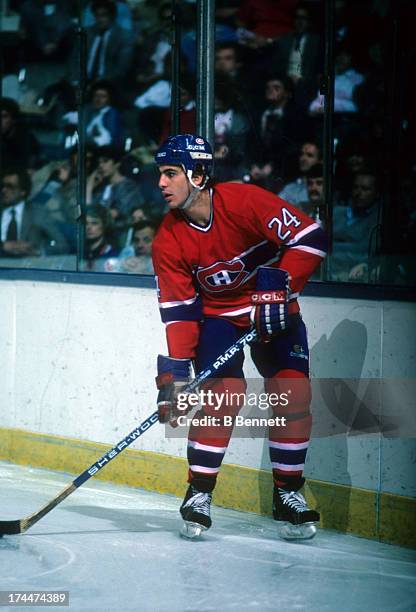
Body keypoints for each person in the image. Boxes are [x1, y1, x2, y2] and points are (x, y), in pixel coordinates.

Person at [152, 134, 327, 540]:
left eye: (170, 173)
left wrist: (280, 288)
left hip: (275, 311)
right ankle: (198, 493)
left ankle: (289, 494)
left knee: (293, 393)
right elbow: (180, 314)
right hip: (218, 320)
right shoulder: (167, 239)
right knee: (222, 396)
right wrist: (177, 376)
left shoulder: (246, 201)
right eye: (160, 174)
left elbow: (311, 238)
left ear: (198, 174)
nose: (161, 183)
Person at [0, 168, 68, 257]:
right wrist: (2, 246)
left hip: (28, 266)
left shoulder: (38, 212)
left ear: (22, 191)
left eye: (10, 187)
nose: (3, 190)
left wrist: (39, 252)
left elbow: (63, 245)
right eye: (2, 186)